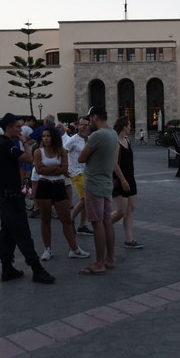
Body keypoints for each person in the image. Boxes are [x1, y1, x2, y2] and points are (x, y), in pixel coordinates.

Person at [0, 113, 55, 284]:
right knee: (22, 232)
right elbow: (29, 158)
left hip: (4, 194)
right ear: (9, 128)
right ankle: (36, 269)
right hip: (10, 197)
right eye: (18, 127)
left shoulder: (0, 143)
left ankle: (7, 268)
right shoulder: (7, 144)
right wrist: (25, 142)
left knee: (7, 232)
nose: (21, 130)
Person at [33, 127, 90, 261]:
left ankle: (74, 249)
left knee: (66, 220)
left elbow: (64, 169)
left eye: (48, 136)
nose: (45, 138)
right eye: (44, 136)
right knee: (45, 219)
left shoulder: (61, 151)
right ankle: (47, 249)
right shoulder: (38, 152)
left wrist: (48, 169)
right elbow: (39, 169)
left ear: (54, 137)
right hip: (44, 186)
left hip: (59, 186)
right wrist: (56, 169)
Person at [78, 106, 118, 275]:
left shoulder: (97, 135)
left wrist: (88, 140)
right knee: (107, 221)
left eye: (89, 119)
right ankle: (110, 259)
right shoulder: (113, 133)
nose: (88, 123)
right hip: (107, 183)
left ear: (95, 117)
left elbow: (81, 158)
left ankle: (99, 263)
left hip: (94, 183)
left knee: (97, 223)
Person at [111, 117, 143, 249]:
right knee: (121, 211)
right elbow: (114, 164)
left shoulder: (127, 141)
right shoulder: (116, 143)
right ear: (124, 126)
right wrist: (123, 180)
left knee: (131, 208)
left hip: (130, 178)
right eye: (129, 125)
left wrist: (128, 179)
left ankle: (129, 239)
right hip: (120, 180)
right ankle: (102, 225)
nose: (130, 127)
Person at [66, 117, 91, 235]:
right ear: (77, 126)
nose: (83, 127)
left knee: (85, 200)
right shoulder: (73, 140)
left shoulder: (90, 139)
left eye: (86, 125)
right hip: (76, 172)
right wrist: (64, 167)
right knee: (86, 198)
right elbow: (62, 152)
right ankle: (70, 220)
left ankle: (82, 225)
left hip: (87, 172)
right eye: (81, 125)